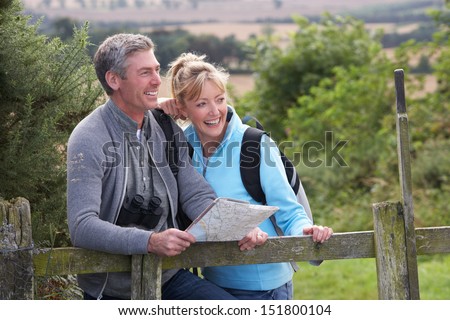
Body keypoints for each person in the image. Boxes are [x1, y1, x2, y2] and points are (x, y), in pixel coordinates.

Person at [66, 34, 265, 300]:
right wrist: (150, 242)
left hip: (169, 275)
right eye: (145, 72)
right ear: (114, 80)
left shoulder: (164, 126)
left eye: (157, 70)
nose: (158, 81)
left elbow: (195, 194)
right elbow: (82, 227)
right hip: (112, 288)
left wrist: (236, 226)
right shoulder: (89, 137)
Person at [159, 52, 333, 300]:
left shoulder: (255, 144)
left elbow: (288, 211)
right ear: (182, 107)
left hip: (265, 286)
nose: (214, 111)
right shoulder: (180, 146)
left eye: (219, 99)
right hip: (212, 283)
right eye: (201, 104)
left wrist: (306, 229)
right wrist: (158, 106)